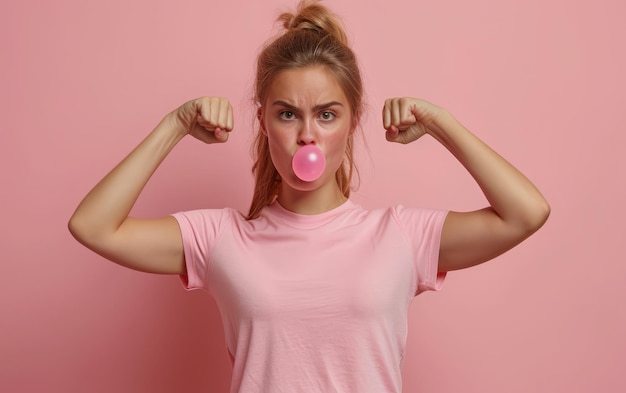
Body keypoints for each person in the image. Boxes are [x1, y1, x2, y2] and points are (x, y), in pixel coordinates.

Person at [68, 1, 550, 392]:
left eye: (326, 114)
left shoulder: (400, 235)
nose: (306, 136)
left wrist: (441, 123)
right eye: (286, 114)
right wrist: (174, 125)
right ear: (263, 121)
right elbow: (92, 226)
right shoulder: (220, 238)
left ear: (353, 121)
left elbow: (526, 213)